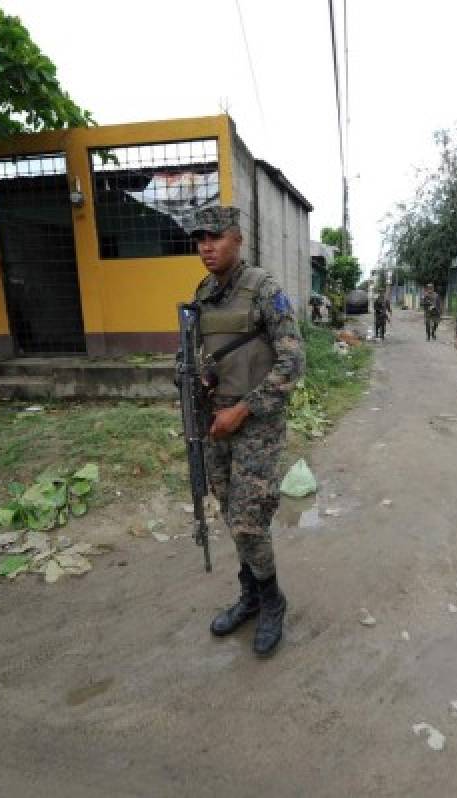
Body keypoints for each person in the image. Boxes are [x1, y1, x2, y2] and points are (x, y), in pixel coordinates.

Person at [186, 205, 304, 659]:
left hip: (256, 424)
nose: (206, 247)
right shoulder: (203, 294)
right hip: (215, 422)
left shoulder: (265, 290)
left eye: (215, 237)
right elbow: (205, 355)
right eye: (200, 239)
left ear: (237, 239)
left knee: (250, 519)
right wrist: (204, 381)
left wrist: (245, 409)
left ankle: (272, 601)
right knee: (232, 513)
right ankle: (250, 596)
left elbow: (293, 361)